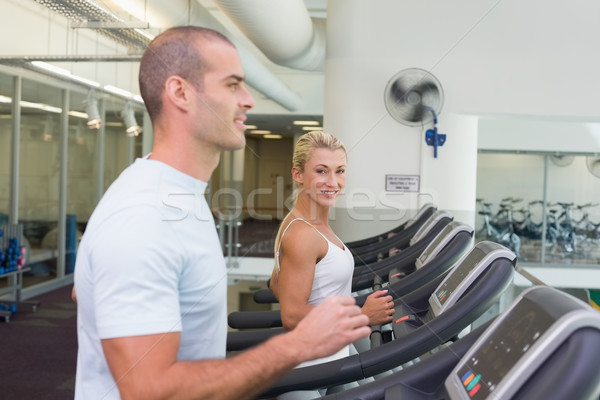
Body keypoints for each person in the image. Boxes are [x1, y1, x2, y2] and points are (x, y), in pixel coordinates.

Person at [73, 26, 370, 400]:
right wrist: (296, 346)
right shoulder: (145, 215)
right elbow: (148, 390)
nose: (248, 100)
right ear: (180, 92)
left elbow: (85, 292)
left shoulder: (182, 199)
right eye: (232, 85)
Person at [269, 131, 395, 367]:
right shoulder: (303, 234)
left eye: (340, 171)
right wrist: (362, 316)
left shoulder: (309, 224)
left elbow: (276, 284)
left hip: (332, 353)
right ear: (298, 174)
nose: (332, 182)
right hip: (311, 364)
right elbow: (291, 316)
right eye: (321, 171)